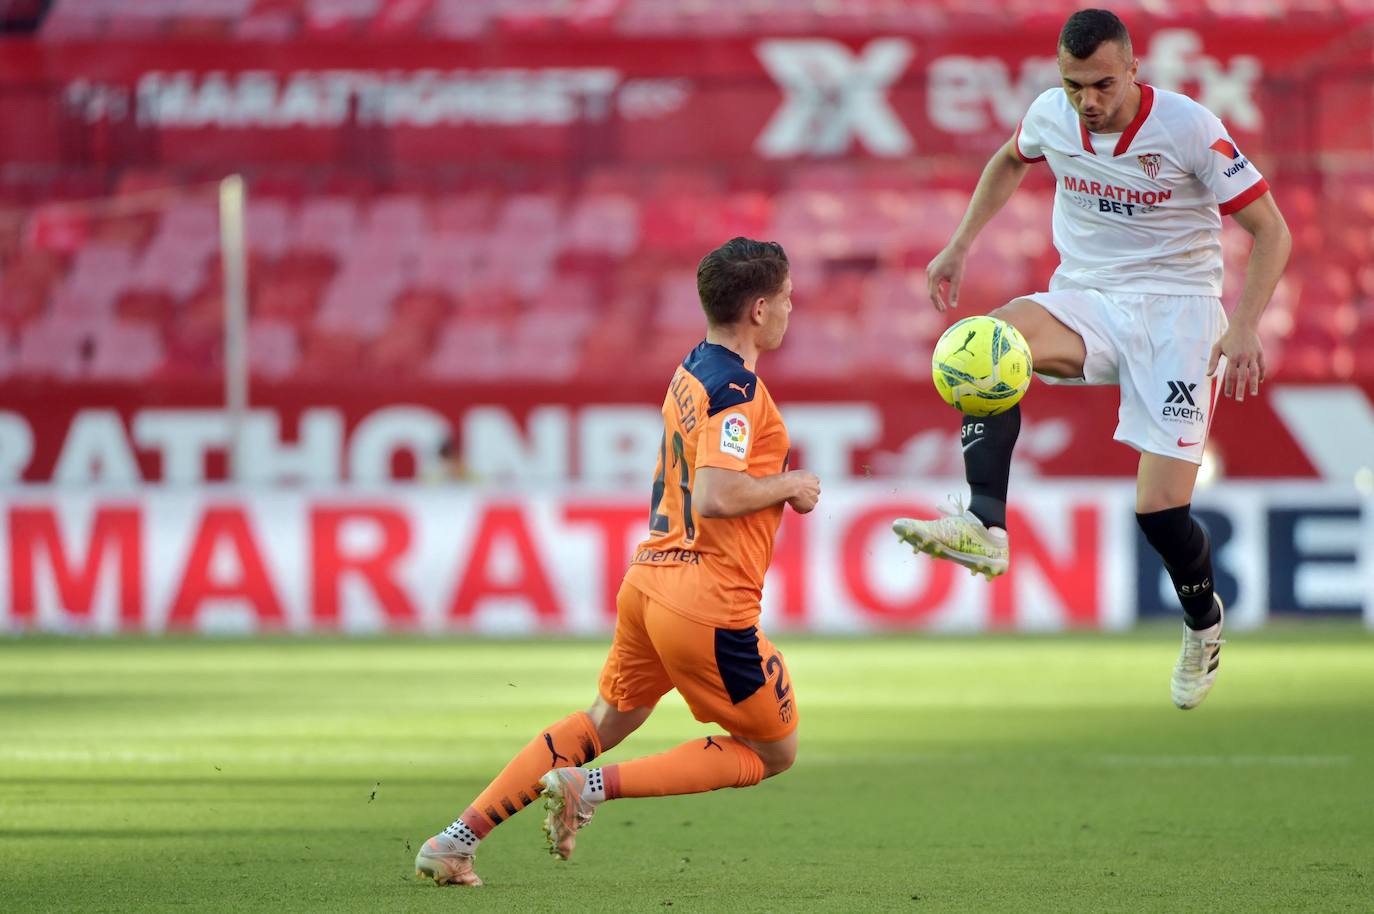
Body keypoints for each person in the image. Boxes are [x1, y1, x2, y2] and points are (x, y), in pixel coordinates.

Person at [893, 8, 1290, 710]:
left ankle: (1203, 623)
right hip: (1088, 300)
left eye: (1103, 84)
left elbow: (1271, 231)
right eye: (1075, 86)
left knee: (1161, 513)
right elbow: (1009, 159)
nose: (1089, 101)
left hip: (1179, 316)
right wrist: (959, 244)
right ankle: (986, 526)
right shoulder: (1053, 115)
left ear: (1135, 70)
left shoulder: (1191, 128)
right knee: (982, 349)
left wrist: (1247, 326)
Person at [415, 237, 821, 886]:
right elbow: (717, 495)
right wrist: (790, 484)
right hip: (706, 603)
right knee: (774, 751)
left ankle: (456, 839)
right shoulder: (738, 391)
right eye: (790, 300)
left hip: (649, 584)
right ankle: (590, 787)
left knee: (605, 719)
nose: (793, 311)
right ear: (760, 309)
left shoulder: (693, 367)